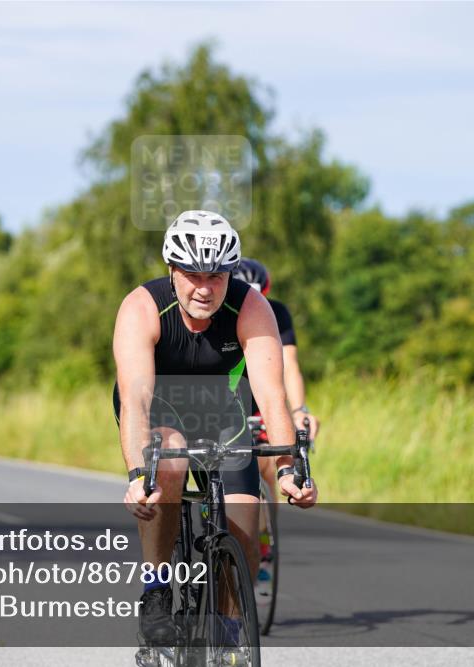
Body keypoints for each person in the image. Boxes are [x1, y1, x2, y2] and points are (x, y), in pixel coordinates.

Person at [113, 211, 318, 652]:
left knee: (244, 527)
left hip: (217, 407)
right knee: (171, 457)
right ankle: (157, 590)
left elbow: (270, 393)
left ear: (229, 273)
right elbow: (136, 400)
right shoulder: (142, 307)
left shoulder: (250, 306)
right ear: (172, 269)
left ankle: (228, 641)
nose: (204, 288)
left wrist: (288, 469)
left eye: (216, 275)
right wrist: (137, 476)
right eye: (191, 274)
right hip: (157, 405)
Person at [232, 258, 320, 596]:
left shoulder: (274, 312)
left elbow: (290, 364)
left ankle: (263, 543)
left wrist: (299, 411)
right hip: (225, 396)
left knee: (269, 466)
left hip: (262, 395)